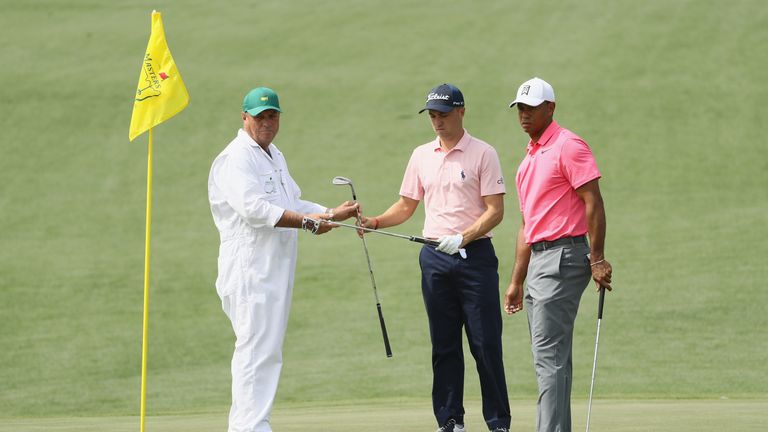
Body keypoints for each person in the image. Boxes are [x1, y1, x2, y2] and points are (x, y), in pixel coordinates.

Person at [360, 83, 511, 432]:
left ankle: (498, 422)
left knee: (485, 342)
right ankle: (450, 420)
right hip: (434, 258)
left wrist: (463, 236)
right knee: (443, 344)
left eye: (443, 114)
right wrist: (377, 221)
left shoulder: (483, 153)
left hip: (475, 257)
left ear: (461, 111)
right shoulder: (421, 155)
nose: (437, 122)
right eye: (432, 115)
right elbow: (407, 205)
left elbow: (496, 210)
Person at [208, 86, 359, 432]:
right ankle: (249, 428)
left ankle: (253, 425)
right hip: (249, 267)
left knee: (267, 350)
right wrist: (310, 223)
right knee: (255, 348)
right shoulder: (236, 158)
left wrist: (332, 213)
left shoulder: (273, 154)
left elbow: (293, 201)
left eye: (272, 115)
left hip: (273, 267)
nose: (267, 122)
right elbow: (255, 210)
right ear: (244, 117)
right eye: (260, 116)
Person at [503, 77, 614, 432]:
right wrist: (516, 280)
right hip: (538, 261)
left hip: (565, 256)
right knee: (550, 359)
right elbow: (526, 225)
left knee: (548, 357)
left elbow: (593, 202)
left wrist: (597, 259)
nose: (524, 115)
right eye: (520, 108)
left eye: (531, 108)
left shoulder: (569, 145)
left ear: (550, 108)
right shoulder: (527, 161)